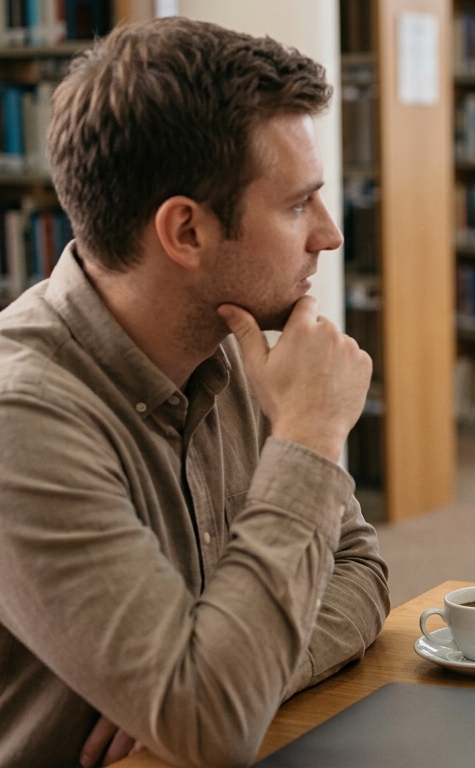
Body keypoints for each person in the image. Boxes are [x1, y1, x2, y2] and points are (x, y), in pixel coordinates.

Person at [0, 19, 390, 766]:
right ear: (185, 231)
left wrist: (242, 680)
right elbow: (212, 726)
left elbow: (359, 573)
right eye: (298, 204)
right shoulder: (22, 418)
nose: (330, 235)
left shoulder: (239, 350)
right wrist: (309, 436)